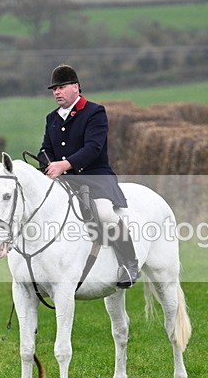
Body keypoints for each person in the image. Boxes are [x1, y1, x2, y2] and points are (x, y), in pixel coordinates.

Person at [39, 64, 140, 288]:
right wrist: (47, 164)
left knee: (104, 214)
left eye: (61, 87)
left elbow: (93, 148)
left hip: (96, 177)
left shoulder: (94, 112)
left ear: (76, 87)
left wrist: (63, 165)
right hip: (65, 181)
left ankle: (129, 264)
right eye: (54, 89)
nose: (56, 92)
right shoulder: (52, 118)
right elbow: (46, 149)